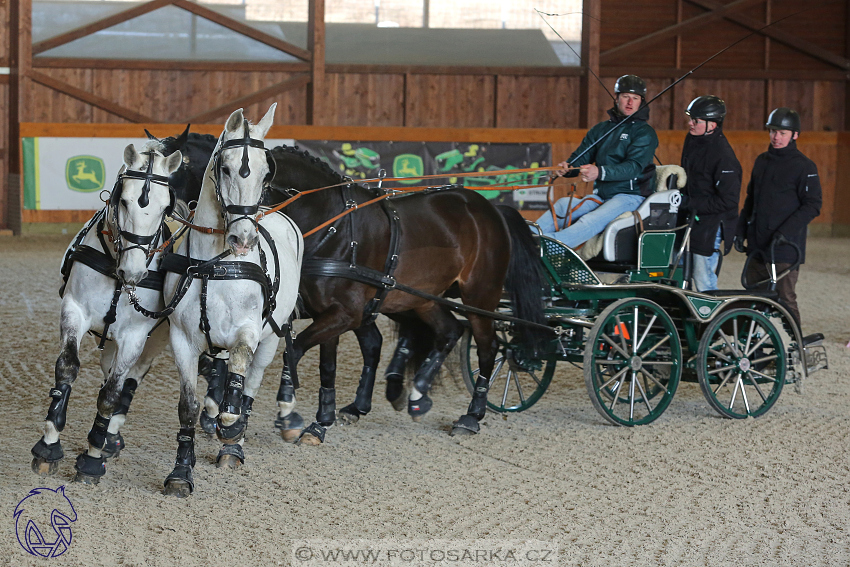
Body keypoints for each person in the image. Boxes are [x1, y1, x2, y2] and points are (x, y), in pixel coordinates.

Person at [536, 75, 658, 248]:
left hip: (630, 196)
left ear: (641, 102)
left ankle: (550, 247)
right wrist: (568, 168)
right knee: (563, 205)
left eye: (635, 98)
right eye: (625, 97)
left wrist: (599, 172)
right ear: (616, 98)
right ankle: (527, 238)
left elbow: (634, 167)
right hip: (603, 196)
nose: (630, 102)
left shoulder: (645, 133)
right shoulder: (600, 129)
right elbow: (581, 158)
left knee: (589, 220)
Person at [735, 107, 822, 326]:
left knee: (785, 300)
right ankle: (755, 351)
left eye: (782, 133)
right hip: (757, 245)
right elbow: (751, 200)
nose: (776, 137)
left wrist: (784, 232)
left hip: (785, 248)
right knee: (753, 298)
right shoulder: (762, 161)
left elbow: (812, 205)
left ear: (795, 135)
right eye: (773, 131)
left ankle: (797, 348)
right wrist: (740, 230)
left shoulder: (804, 167)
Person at [678, 95, 742, 291]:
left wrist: (689, 203)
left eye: (695, 121)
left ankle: (712, 316)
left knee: (702, 275)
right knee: (680, 270)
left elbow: (728, 201)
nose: (690, 123)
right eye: (690, 118)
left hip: (712, 223)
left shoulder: (724, 156)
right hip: (691, 217)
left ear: (712, 125)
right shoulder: (693, 140)